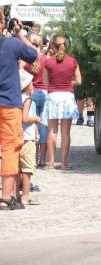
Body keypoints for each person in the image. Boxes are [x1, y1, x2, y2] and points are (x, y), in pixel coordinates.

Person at [0, 12, 37, 210]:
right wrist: (19, 33)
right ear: (2, 22)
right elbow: (33, 55)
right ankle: (6, 198)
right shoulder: (12, 44)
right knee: (10, 149)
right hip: (8, 104)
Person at [43, 35, 82, 170]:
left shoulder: (48, 63)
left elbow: (46, 83)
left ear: (52, 46)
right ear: (66, 45)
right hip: (67, 97)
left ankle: (51, 162)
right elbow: (79, 81)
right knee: (66, 132)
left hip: (53, 96)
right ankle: (64, 163)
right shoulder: (73, 61)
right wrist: (70, 82)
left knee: (52, 132)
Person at [21, 34, 49, 168]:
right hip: (44, 92)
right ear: (41, 44)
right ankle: (43, 159)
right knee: (43, 125)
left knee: (32, 125)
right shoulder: (46, 59)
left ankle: (33, 157)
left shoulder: (25, 61)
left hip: (30, 93)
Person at [18, 70, 40, 206]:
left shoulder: (15, 98)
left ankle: (16, 194)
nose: (33, 86)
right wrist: (36, 119)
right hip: (27, 138)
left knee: (16, 168)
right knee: (27, 168)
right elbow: (25, 118)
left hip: (18, 136)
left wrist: (36, 130)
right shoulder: (27, 99)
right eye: (31, 84)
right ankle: (25, 195)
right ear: (26, 86)